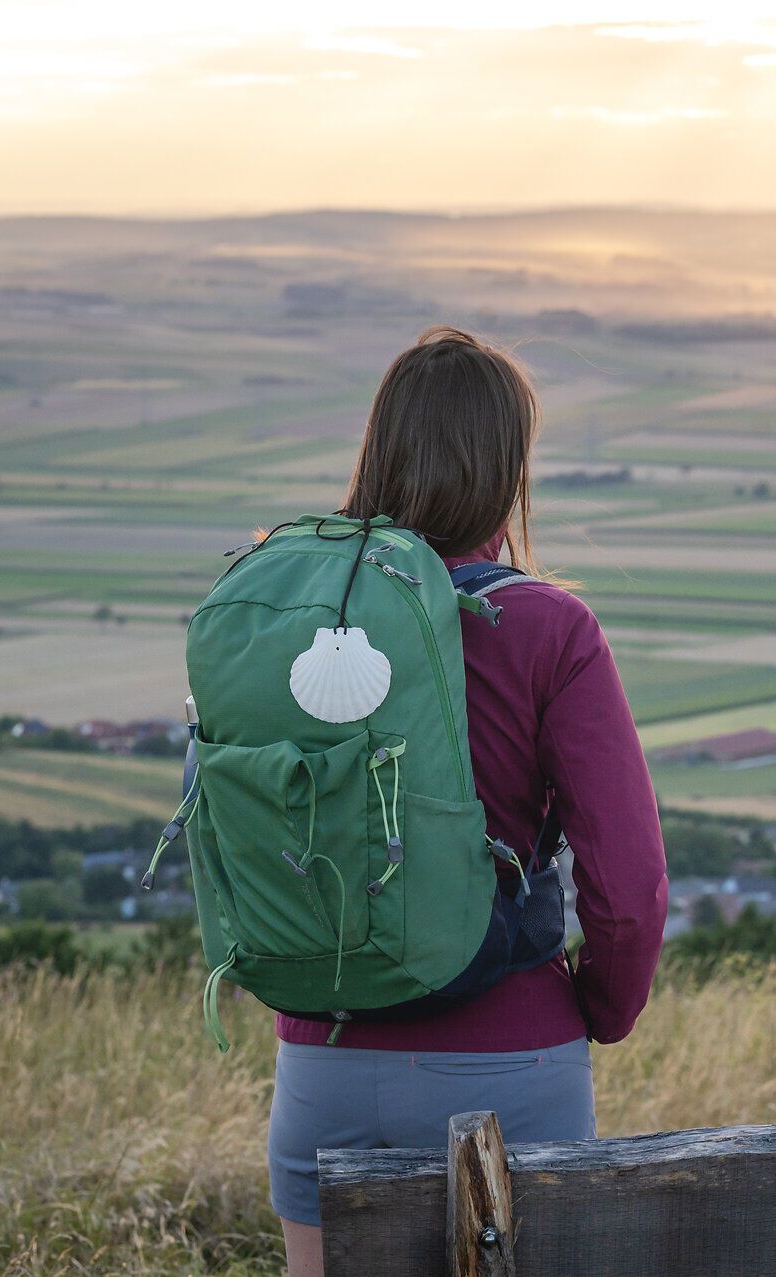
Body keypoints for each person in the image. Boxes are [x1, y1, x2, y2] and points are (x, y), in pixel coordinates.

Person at [266, 326, 668, 1276]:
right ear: (507, 468)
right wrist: (598, 1012)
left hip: (323, 1057)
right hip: (513, 1062)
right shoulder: (548, 627)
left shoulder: (291, 610)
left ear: (380, 448)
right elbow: (631, 886)